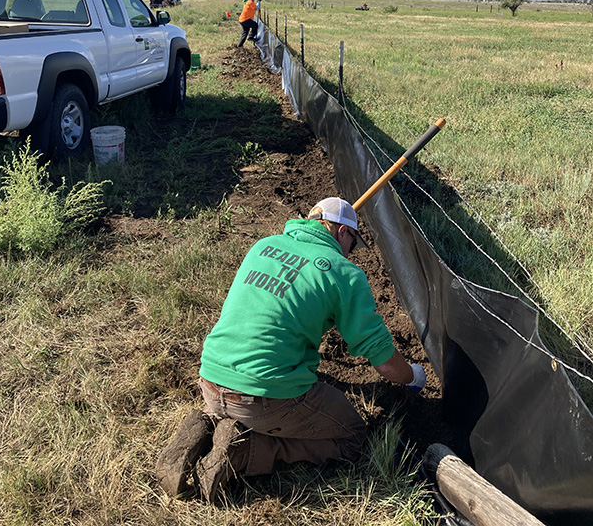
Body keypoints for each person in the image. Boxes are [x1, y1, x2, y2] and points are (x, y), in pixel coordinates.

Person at [156, 197, 427, 502]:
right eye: (354, 241)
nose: (352, 252)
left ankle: (204, 423)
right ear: (341, 232)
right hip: (262, 397)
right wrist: (413, 377)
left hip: (210, 379)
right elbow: (384, 362)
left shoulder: (264, 246)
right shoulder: (344, 273)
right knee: (352, 434)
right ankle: (244, 452)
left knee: (242, 395)